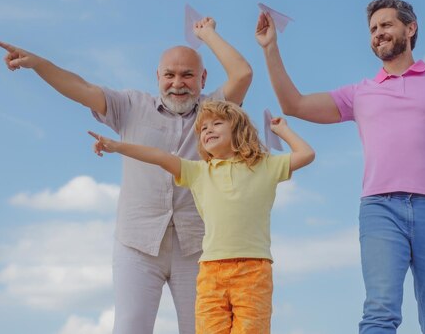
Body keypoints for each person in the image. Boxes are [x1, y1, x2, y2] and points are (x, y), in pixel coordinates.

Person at [0, 16, 253, 334]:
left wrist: (208, 35)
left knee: (205, 330)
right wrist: (39, 64)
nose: (178, 83)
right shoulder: (130, 106)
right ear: (157, 76)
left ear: (203, 77)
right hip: (137, 244)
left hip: (198, 246)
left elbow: (243, 73)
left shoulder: (217, 112)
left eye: (188, 75)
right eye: (169, 75)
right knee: (130, 328)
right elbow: (81, 88)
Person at [255, 0, 425, 334]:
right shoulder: (359, 94)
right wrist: (270, 49)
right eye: (373, 29)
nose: (378, 33)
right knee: (379, 312)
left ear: (410, 29)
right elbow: (294, 105)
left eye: (386, 25)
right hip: (381, 210)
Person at [88, 100, 314, 333]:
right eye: (204, 128)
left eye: (217, 123)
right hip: (210, 272)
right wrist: (116, 146)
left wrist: (282, 130)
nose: (208, 130)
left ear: (239, 130)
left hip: (253, 271)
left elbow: (306, 154)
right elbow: (157, 156)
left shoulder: (265, 166)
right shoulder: (198, 172)